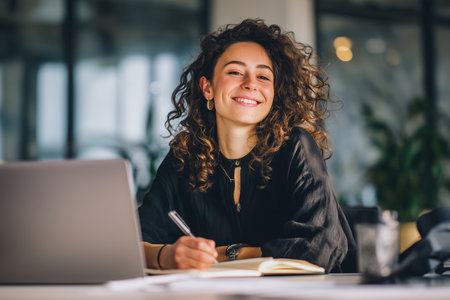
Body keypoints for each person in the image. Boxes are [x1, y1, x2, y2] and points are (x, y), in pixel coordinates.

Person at [138, 18, 355, 273]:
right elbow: (133, 243)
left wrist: (230, 254)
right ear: (207, 87)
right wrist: (167, 255)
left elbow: (321, 247)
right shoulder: (183, 159)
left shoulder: (296, 147)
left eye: (263, 76)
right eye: (235, 72)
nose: (251, 83)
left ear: (274, 94)